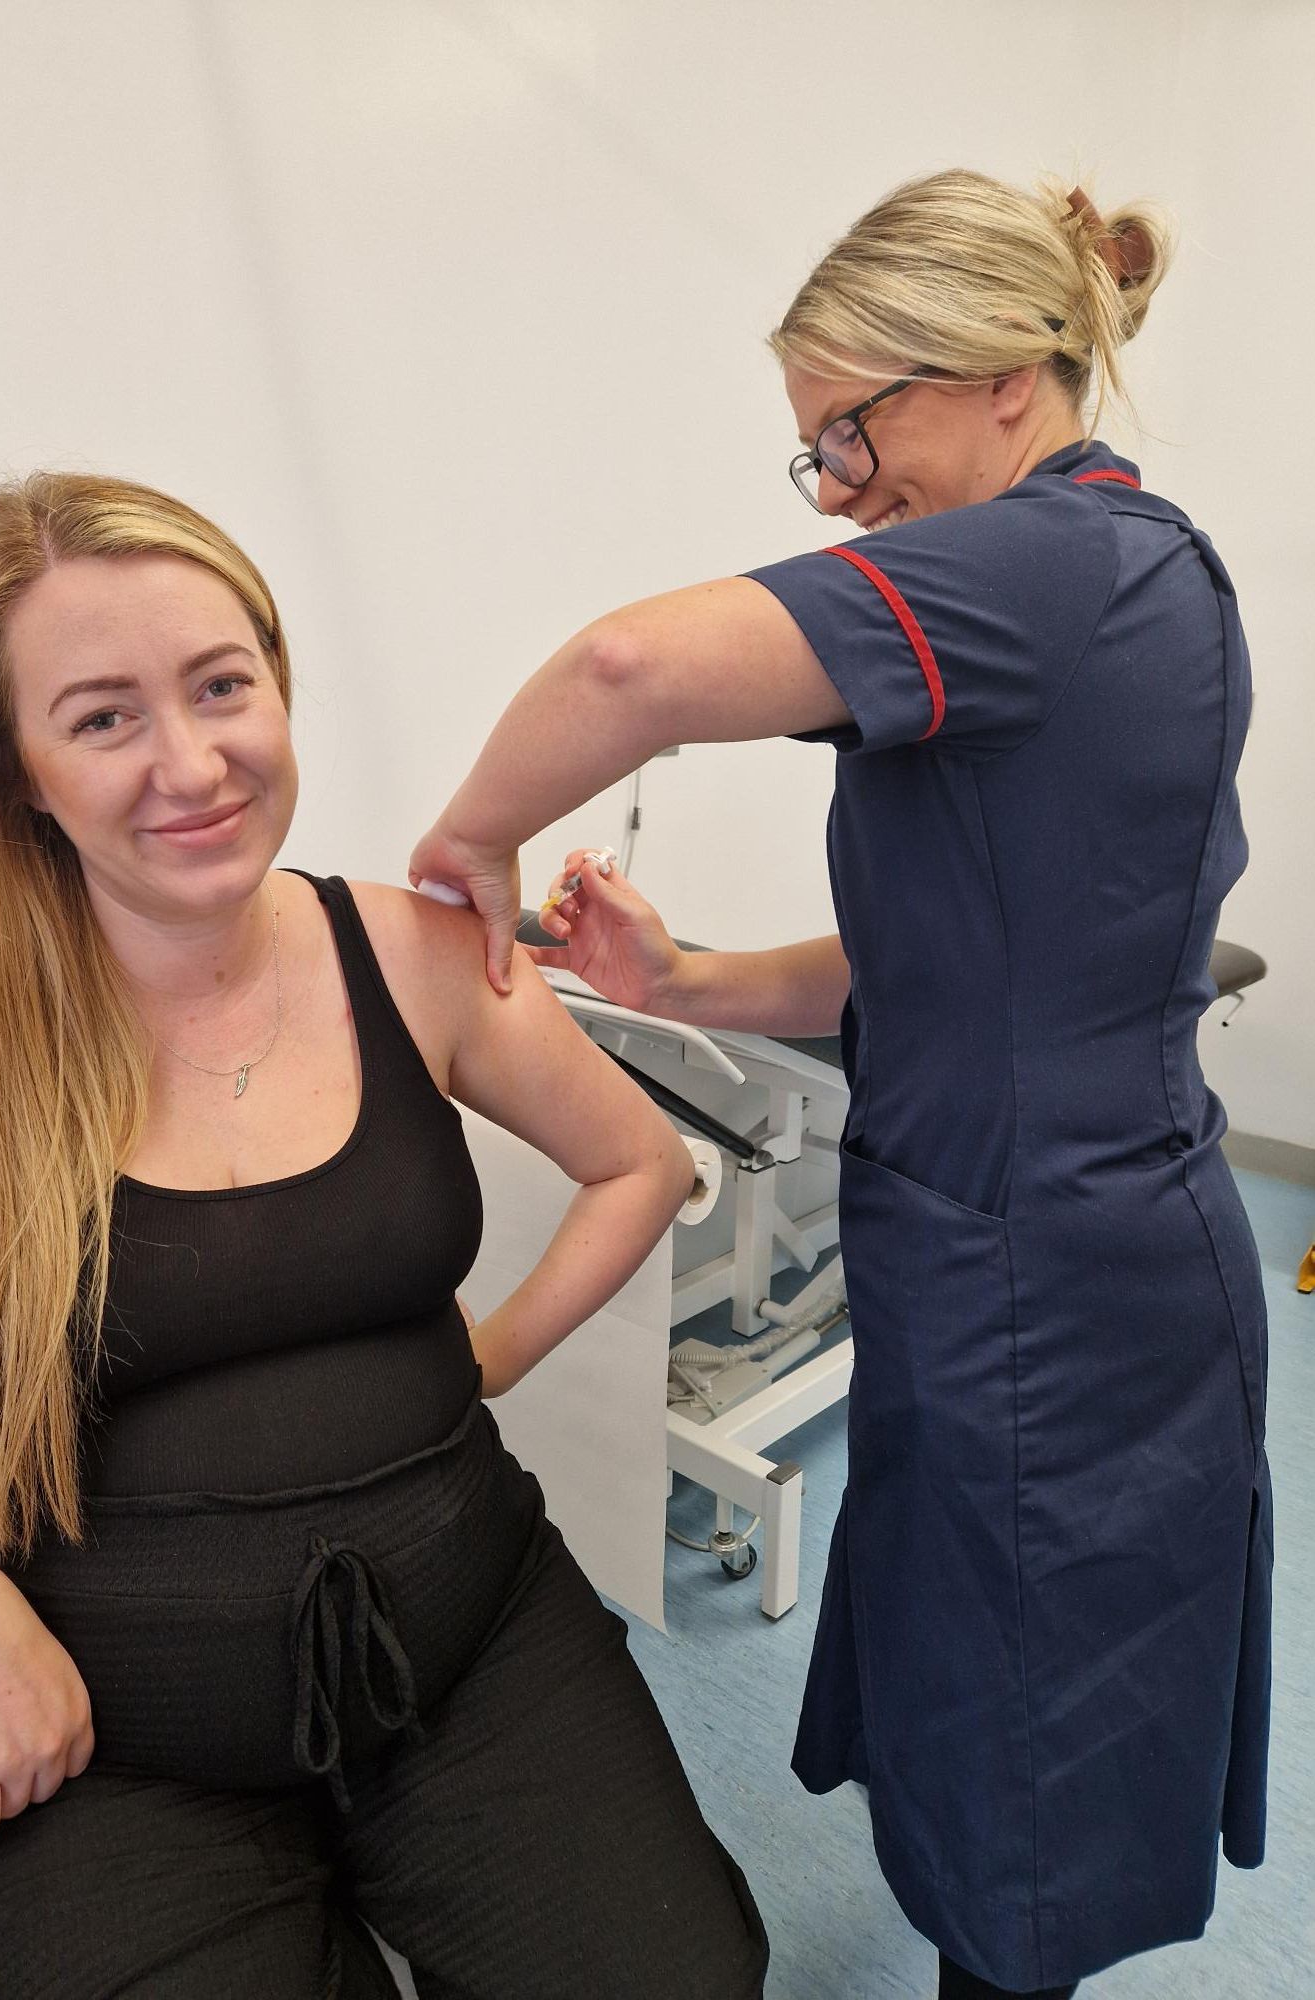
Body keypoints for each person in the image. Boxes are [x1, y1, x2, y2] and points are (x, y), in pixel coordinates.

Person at [409, 170, 1271, 1998]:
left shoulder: (1054, 566)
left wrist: (472, 843)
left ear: (1007, 381)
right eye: (816, 455)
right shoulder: (1114, 583)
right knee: (991, 1693)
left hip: (1061, 1277)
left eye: (850, 435)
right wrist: (687, 980)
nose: (842, 490)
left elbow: (627, 663)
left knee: (1032, 1754)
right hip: (1032, 1242)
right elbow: (955, 958)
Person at [0, 473, 770, 2000]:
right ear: (17, 775)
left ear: (278, 686)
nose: (191, 764)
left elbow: (642, 1165)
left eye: (221, 686)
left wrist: (488, 1354)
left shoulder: (408, 949)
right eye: (104, 716)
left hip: (466, 1649)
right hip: (99, 1741)